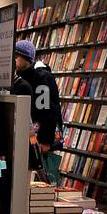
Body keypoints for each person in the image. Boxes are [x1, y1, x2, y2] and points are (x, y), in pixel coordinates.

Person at [11, 39, 63, 183]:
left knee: (41, 178)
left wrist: (45, 140)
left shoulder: (41, 77)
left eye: (16, 56)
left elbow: (47, 110)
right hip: (27, 135)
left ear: (27, 58)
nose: (13, 60)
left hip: (39, 137)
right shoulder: (18, 77)